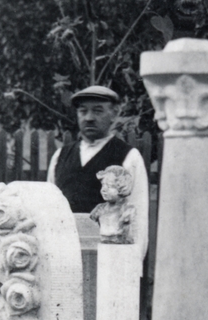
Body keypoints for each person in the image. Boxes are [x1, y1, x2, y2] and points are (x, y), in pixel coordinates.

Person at [48, 85, 150, 255]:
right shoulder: (60, 156)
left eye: (98, 111)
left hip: (109, 256)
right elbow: (50, 210)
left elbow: (137, 216)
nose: (89, 118)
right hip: (66, 254)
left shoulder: (128, 157)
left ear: (114, 113)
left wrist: (132, 265)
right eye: (83, 111)